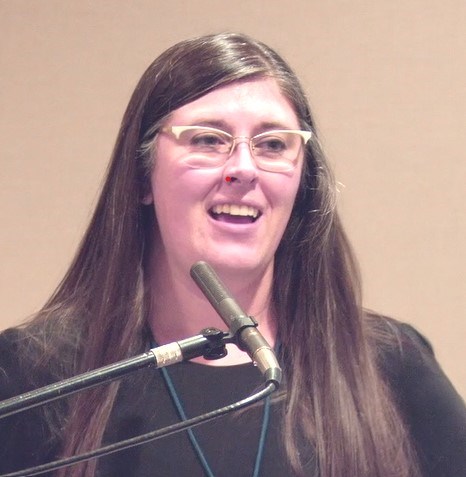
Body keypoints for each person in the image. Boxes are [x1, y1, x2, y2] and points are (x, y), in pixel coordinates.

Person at [0, 32, 465, 477]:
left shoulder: (390, 366)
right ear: (142, 177)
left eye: (273, 145)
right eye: (207, 139)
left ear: (304, 183)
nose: (243, 168)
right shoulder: (35, 375)